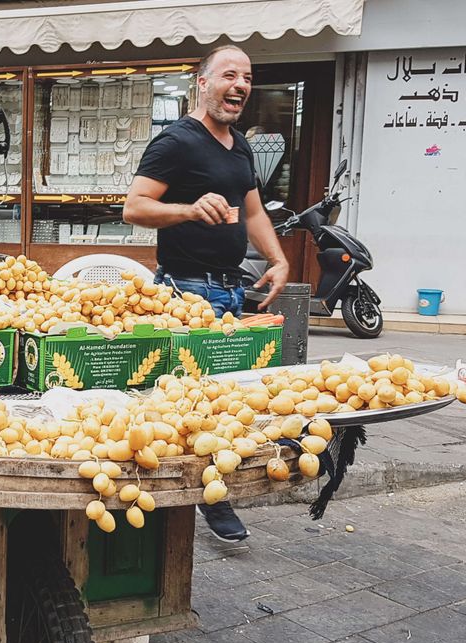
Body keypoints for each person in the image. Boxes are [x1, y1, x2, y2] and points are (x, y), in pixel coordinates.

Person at [123, 45, 290, 543]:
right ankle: (208, 501)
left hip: (232, 290)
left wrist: (278, 259)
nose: (239, 85)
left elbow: (254, 212)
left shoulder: (239, 146)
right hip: (185, 290)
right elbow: (134, 207)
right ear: (203, 82)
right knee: (192, 407)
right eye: (229, 75)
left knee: (227, 400)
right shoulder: (177, 141)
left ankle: (213, 490)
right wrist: (190, 210)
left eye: (247, 78)